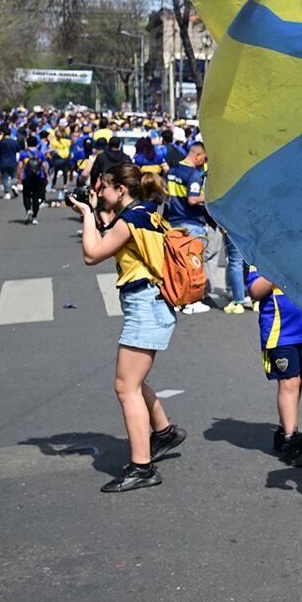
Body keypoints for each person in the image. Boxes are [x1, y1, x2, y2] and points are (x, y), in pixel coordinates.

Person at [77, 161, 184, 493]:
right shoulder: (148, 213)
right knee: (134, 381)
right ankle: (164, 432)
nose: (99, 193)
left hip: (145, 304)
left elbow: (92, 254)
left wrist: (85, 213)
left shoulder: (129, 219)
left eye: (103, 188)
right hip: (154, 302)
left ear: (120, 189)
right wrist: (99, 215)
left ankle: (142, 467)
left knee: (126, 387)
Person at [244, 265, 302, 468]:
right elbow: (255, 291)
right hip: (280, 333)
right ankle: (291, 440)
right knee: (289, 382)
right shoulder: (262, 254)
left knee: (299, 381)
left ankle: (284, 429)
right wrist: (278, 264)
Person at [161, 141, 215, 314]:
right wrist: (208, 196)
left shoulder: (173, 171)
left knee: (178, 263)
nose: (204, 162)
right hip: (191, 222)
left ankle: (177, 296)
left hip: (174, 221)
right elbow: (192, 199)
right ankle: (192, 300)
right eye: (204, 158)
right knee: (194, 264)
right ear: (198, 155)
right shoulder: (193, 174)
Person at [18, 143, 49, 224]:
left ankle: (28, 210)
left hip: (26, 177)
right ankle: (35, 216)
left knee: (26, 195)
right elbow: (45, 165)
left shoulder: (23, 153)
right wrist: (47, 176)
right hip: (39, 177)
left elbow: (20, 166)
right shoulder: (40, 153)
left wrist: (19, 177)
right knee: (36, 196)